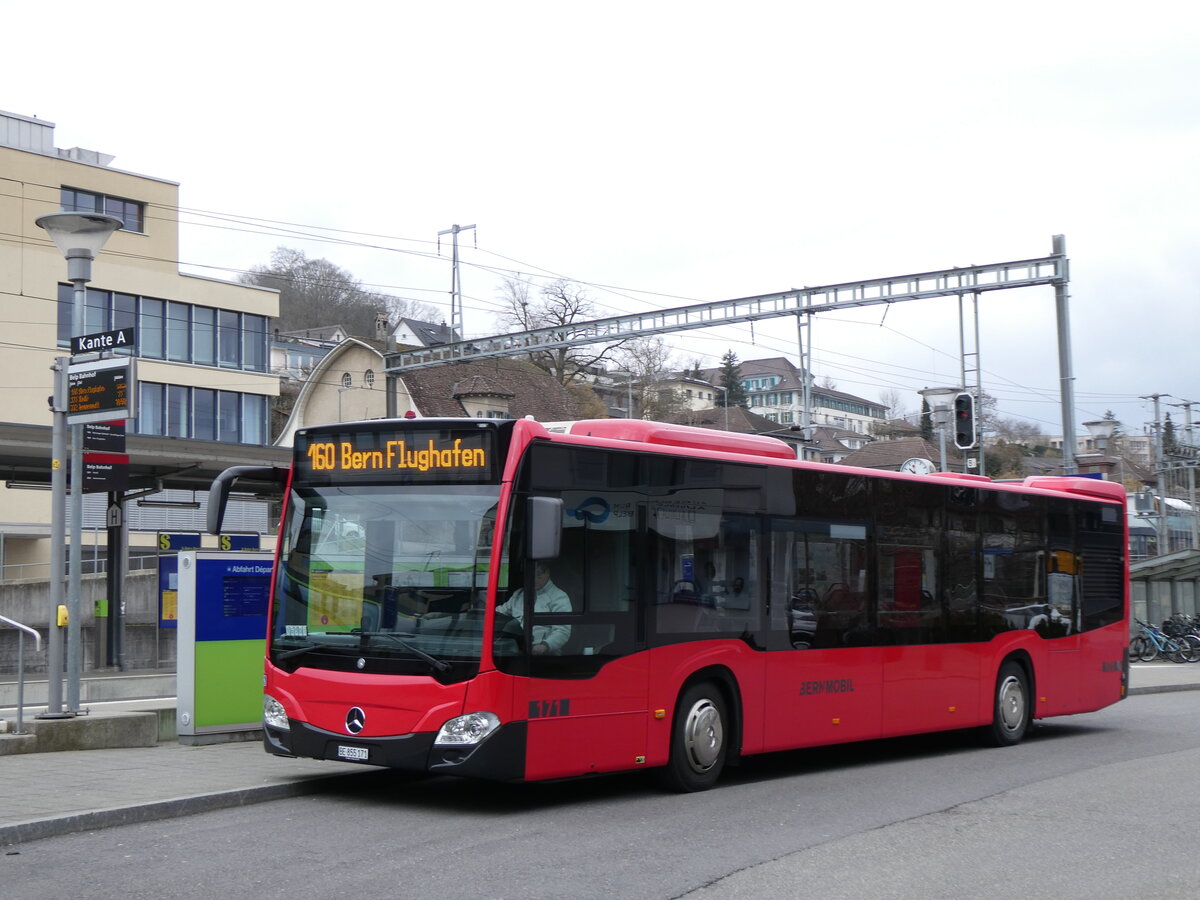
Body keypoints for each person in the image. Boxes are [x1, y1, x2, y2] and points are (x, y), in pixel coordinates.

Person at [497, 562, 572, 654]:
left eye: (539, 576)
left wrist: (545, 646)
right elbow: (500, 612)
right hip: (517, 649)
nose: (535, 580)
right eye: (532, 576)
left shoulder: (559, 597)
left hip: (544, 654)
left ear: (547, 573)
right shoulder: (519, 594)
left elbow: (562, 631)